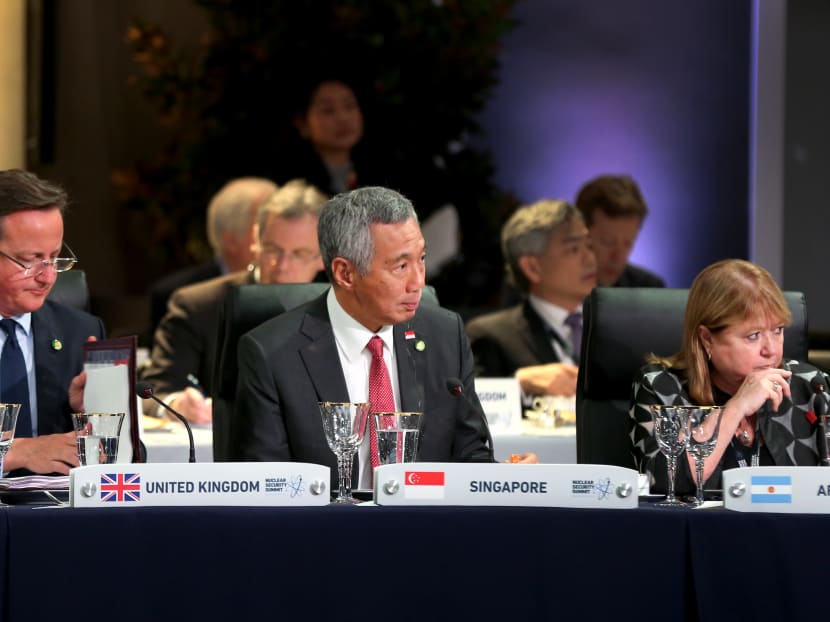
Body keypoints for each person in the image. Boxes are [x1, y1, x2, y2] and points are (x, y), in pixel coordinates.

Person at [231, 186, 535, 491]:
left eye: (422, 259)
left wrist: (501, 477)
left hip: (426, 528)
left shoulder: (444, 335)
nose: (418, 282)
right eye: (400, 266)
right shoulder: (272, 354)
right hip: (324, 531)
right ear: (345, 274)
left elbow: (467, 455)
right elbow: (267, 484)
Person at [629, 259, 826, 496]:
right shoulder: (660, 388)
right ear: (707, 338)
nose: (771, 350)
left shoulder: (809, 386)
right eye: (753, 336)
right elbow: (664, 482)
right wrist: (736, 408)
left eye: (778, 330)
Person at [140, 179, 327, 424]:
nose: (281, 266)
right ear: (255, 242)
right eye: (272, 249)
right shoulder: (198, 305)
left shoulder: (339, 307)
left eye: (299, 254)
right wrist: (179, 405)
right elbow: (155, 389)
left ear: (324, 256)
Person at [0, 169, 105, 475]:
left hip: (54, 515)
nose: (48, 277)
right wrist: (12, 452)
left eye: (55, 257)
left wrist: (94, 414)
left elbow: (129, 461)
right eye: (31, 260)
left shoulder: (80, 333)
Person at [465, 199, 596, 399]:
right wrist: (519, 384)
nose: (590, 258)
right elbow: (467, 405)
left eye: (588, 245)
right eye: (573, 249)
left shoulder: (618, 327)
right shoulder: (491, 336)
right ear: (532, 268)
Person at [147, 177, 278, 337]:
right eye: (266, 227)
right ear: (231, 241)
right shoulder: (175, 297)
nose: (280, 238)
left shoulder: (301, 285)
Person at [275, 77, 389, 196]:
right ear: (302, 124)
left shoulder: (382, 171)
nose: (343, 118)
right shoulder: (291, 186)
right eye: (328, 111)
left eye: (349, 106)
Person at [575, 174, 665, 288]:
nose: (618, 257)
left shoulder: (649, 289)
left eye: (628, 243)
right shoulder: (550, 290)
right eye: (607, 242)